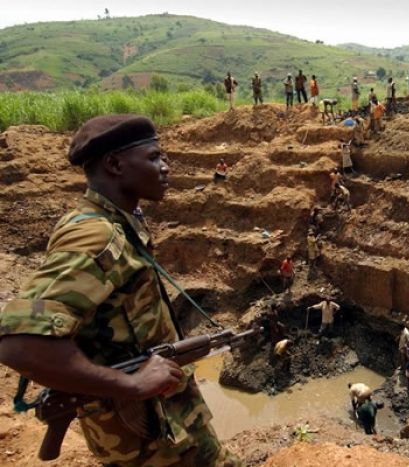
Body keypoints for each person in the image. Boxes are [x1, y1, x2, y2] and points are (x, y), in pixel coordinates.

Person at [0, 115, 239, 466]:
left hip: (159, 422)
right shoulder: (98, 236)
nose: (165, 167)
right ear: (114, 164)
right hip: (147, 436)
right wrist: (132, 385)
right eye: (154, 157)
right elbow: (19, 344)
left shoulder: (116, 221)